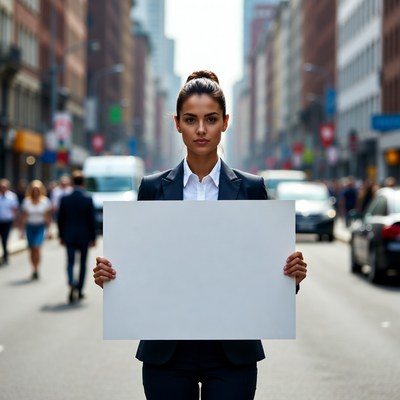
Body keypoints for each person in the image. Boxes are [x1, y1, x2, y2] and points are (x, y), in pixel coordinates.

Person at [93, 70, 308, 400]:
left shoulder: (251, 189)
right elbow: (140, 264)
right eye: (191, 120)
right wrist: (111, 277)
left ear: (225, 122)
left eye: (211, 119)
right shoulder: (153, 188)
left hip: (231, 352)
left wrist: (290, 278)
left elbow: (263, 273)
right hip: (166, 351)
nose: (202, 129)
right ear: (177, 123)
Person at [57, 170, 96, 303]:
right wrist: (93, 238)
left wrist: (61, 236)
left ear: (72, 182)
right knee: (83, 264)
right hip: (84, 236)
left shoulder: (65, 199)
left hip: (69, 235)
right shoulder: (88, 198)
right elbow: (92, 220)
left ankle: (71, 282)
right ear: (83, 183)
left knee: (70, 262)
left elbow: (60, 219)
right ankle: (79, 289)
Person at [20, 180, 52, 280]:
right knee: (31, 249)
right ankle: (33, 268)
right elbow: (24, 217)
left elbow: (47, 217)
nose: (35, 192)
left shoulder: (45, 201)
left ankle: (37, 268)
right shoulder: (27, 201)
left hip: (40, 227)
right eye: (34, 190)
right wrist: (21, 231)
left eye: (37, 190)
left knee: (36, 248)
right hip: (30, 227)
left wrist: (49, 230)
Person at [0, 179, 19, 266]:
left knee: (5, 238)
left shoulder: (12, 196)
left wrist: (15, 221)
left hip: (7, 221)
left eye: (4, 187)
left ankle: (5, 255)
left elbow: (15, 209)